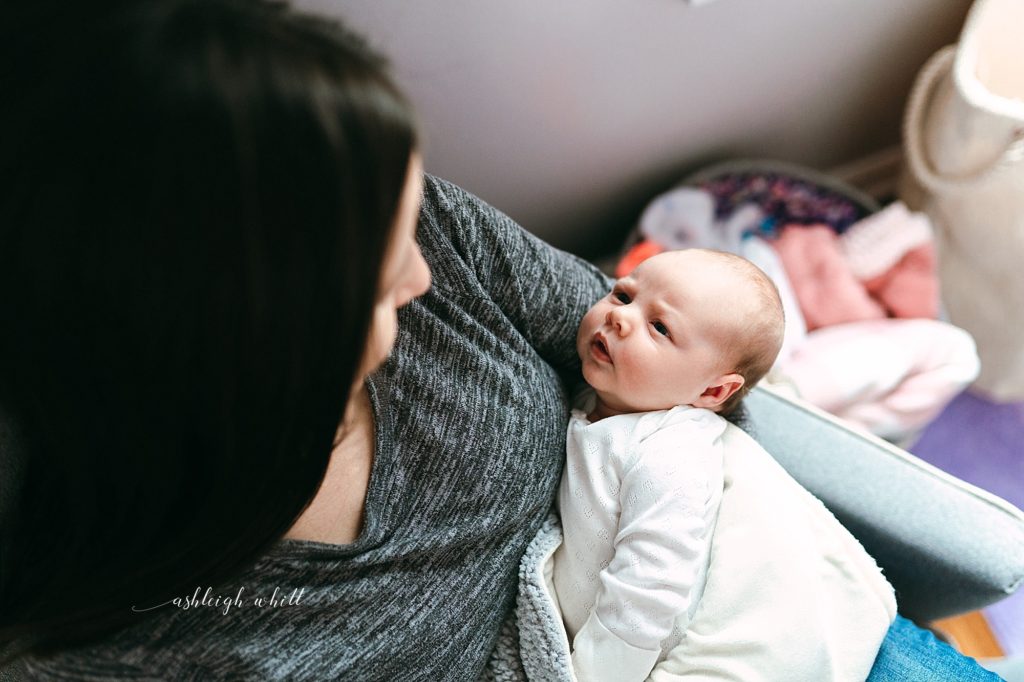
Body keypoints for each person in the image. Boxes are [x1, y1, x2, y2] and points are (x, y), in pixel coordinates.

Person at [0, 0, 1002, 679]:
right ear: (245, 346)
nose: (424, 274)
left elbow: (650, 354)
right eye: (380, 276)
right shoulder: (134, 629)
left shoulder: (402, 219)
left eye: (414, 220)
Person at [554, 250, 784, 681]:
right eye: (623, 295)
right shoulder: (595, 399)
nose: (620, 318)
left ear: (714, 391)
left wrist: (592, 673)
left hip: (636, 653)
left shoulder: (671, 453)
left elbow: (649, 592)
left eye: (659, 326)